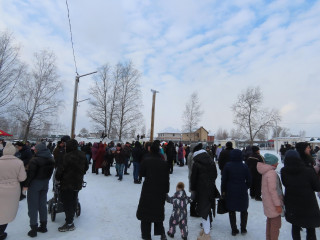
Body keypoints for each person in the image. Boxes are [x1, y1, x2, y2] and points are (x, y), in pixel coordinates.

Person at [281, 150, 320, 240]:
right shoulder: (308, 171)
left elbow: (285, 184)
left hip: (292, 203)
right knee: (310, 228)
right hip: (308, 204)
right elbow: (317, 187)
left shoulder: (284, 171)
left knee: (295, 226)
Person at [136, 141, 170, 240]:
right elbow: (167, 179)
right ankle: (162, 234)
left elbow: (141, 173)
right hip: (160, 191)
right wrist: (165, 191)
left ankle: (146, 235)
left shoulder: (146, 161)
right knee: (157, 213)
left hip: (148, 189)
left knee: (146, 214)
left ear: (150, 149)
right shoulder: (164, 163)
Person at [55, 139, 88, 232]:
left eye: (66, 146)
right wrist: (80, 173)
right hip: (77, 182)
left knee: (67, 203)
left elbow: (60, 171)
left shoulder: (66, 156)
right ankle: (71, 219)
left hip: (67, 183)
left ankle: (69, 223)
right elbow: (86, 167)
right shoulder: (82, 154)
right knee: (74, 199)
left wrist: (58, 178)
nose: (65, 147)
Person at [23, 143, 55, 237]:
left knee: (33, 206)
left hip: (35, 184)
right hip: (45, 183)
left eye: (35, 149)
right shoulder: (51, 159)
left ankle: (33, 229)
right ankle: (43, 226)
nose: (34, 150)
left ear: (39, 150)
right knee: (42, 205)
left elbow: (31, 175)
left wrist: (26, 185)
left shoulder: (35, 160)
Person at [190, 143, 218, 240]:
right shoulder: (210, 160)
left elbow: (193, 179)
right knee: (208, 208)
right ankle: (206, 230)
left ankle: (206, 234)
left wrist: (193, 189)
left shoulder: (196, 163)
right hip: (211, 188)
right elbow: (215, 174)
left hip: (201, 189)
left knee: (203, 210)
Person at [221, 149, 251, 236]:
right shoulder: (244, 166)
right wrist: (246, 187)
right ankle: (243, 228)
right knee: (244, 210)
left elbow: (224, 180)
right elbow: (249, 180)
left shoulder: (227, 166)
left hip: (230, 190)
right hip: (242, 190)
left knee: (231, 210)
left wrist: (223, 191)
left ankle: (234, 229)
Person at [0, 142, 27, 240]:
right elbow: (22, 178)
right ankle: (1, 232)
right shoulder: (19, 162)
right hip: (12, 191)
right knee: (7, 212)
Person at [257, 153, 283, 240]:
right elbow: (273, 191)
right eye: (276, 162)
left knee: (270, 223)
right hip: (273, 204)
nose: (278, 163)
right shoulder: (271, 173)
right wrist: (278, 205)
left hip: (268, 203)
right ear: (272, 163)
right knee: (275, 226)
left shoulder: (266, 172)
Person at [187, 143, 200, 217]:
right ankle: (193, 211)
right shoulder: (192, 155)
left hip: (192, 175)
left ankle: (194, 209)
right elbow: (193, 166)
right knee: (194, 194)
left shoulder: (190, 154)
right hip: (193, 176)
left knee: (194, 193)